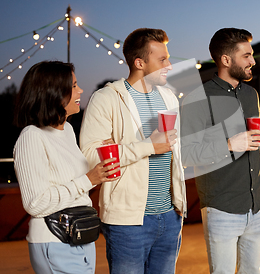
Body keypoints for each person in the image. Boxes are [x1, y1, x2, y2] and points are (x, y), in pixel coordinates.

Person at [79, 28, 187, 274]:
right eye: (162, 60)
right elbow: (90, 158)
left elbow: (175, 152)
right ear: (139, 62)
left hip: (170, 217)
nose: (169, 65)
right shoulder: (106, 98)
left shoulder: (170, 98)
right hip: (127, 222)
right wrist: (147, 146)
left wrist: (179, 205)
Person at [13, 61, 120, 273]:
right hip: (55, 240)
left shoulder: (67, 131)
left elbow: (74, 184)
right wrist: (89, 179)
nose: (80, 90)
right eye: (73, 86)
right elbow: (35, 203)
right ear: (52, 93)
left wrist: (97, 168)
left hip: (81, 235)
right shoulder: (31, 137)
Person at [181, 28, 260, 273]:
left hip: (257, 204)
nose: (253, 61)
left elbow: (258, 140)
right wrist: (229, 145)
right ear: (226, 60)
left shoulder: (251, 94)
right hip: (222, 208)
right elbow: (186, 154)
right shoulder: (197, 98)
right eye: (247, 56)